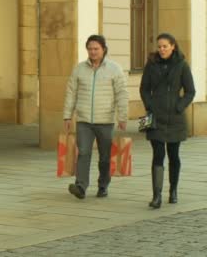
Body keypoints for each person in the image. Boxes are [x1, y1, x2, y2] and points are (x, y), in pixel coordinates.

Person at [63, 35, 128, 199]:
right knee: (83, 152)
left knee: (105, 156)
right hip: (84, 120)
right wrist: (67, 116)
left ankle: (103, 185)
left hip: (105, 120)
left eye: (96, 49)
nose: (92, 52)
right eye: (90, 49)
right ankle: (81, 187)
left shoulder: (114, 69)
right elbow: (71, 93)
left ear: (103, 49)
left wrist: (123, 117)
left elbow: (121, 93)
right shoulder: (79, 69)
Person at [140, 33, 195, 209]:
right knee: (157, 154)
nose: (161, 49)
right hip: (155, 117)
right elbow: (144, 89)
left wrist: (179, 107)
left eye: (165, 46)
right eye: (159, 46)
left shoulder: (182, 65)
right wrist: (150, 106)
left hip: (175, 118)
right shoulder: (151, 64)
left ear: (173, 46)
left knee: (173, 155)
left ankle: (173, 191)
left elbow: (190, 91)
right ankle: (156, 196)